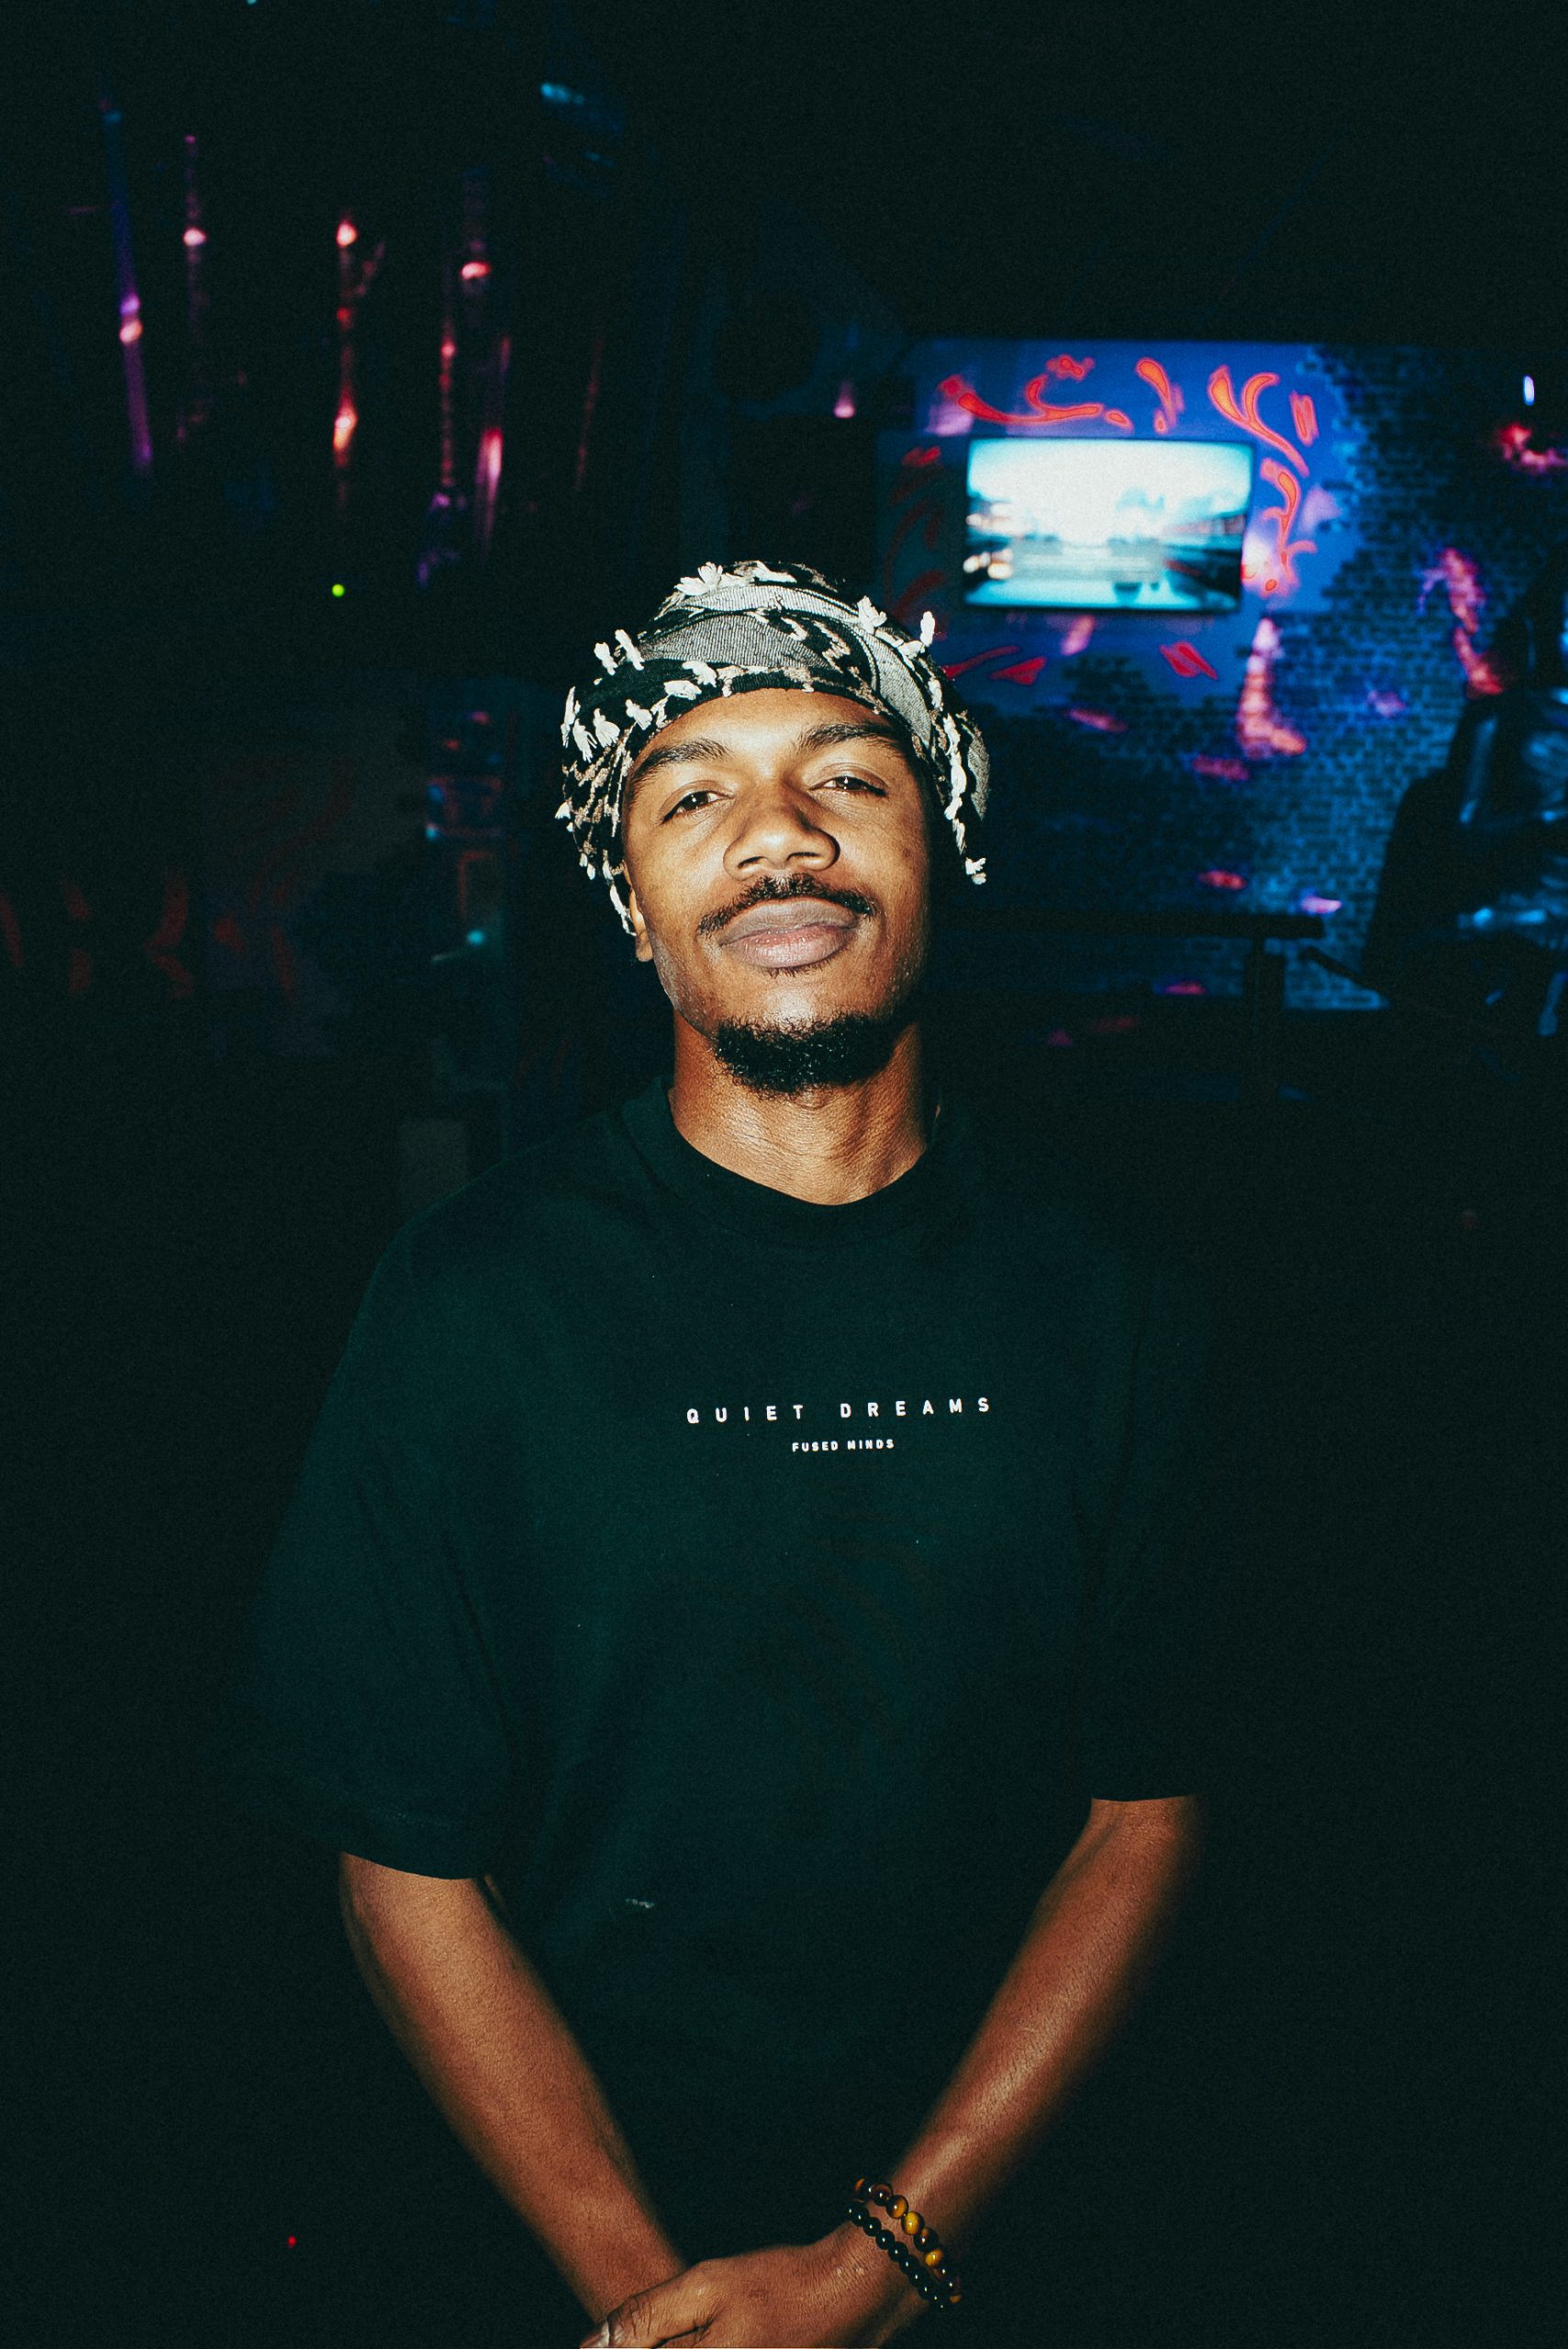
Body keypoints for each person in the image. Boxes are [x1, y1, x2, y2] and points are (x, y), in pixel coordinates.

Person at [211, 561, 1218, 2347]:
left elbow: (1143, 1808)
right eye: (694, 797)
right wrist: (648, 2302)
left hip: (1022, 2229)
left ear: (938, 848)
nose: (780, 837)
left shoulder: (1116, 1291)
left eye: (848, 777)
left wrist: (879, 2264)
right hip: (575, 2245)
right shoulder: (469, 1301)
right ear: (633, 902)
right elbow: (402, 1861)